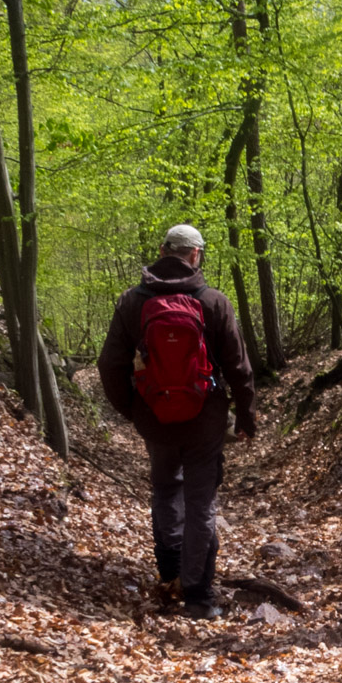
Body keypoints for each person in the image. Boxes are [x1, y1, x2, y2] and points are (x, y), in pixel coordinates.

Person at [97, 224, 255, 620]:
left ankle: (169, 575)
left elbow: (109, 365)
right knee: (200, 500)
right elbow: (238, 367)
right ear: (196, 255)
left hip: (155, 416)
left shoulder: (131, 302)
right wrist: (246, 413)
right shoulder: (214, 302)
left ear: (163, 251)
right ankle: (199, 595)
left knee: (167, 490)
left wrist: (133, 410)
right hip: (206, 418)